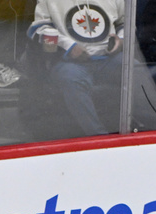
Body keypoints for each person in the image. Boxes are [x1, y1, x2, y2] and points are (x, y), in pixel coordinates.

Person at [28, 0, 125, 137]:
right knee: (70, 78)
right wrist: (68, 46)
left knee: (134, 69)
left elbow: (126, 22)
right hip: (69, 62)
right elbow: (37, 29)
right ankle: (98, 138)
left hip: (109, 59)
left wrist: (121, 39)